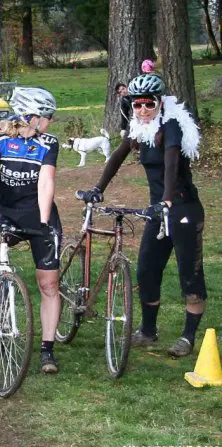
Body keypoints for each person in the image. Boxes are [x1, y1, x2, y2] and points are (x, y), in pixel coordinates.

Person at [78, 73, 206, 358]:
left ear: (160, 102)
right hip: (157, 211)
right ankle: (149, 331)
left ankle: (187, 336)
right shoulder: (139, 128)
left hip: (183, 208)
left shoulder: (171, 125)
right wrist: (98, 189)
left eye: (149, 104)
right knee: (146, 270)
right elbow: (117, 157)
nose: (143, 110)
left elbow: (171, 161)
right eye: (137, 105)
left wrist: (168, 200)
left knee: (190, 275)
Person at [0, 86, 62, 374]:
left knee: (49, 284)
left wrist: (45, 221)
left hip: (37, 211)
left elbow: (46, 182)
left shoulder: (49, 143)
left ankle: (47, 348)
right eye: (47, 116)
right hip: (6, 209)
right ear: (30, 116)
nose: (50, 120)